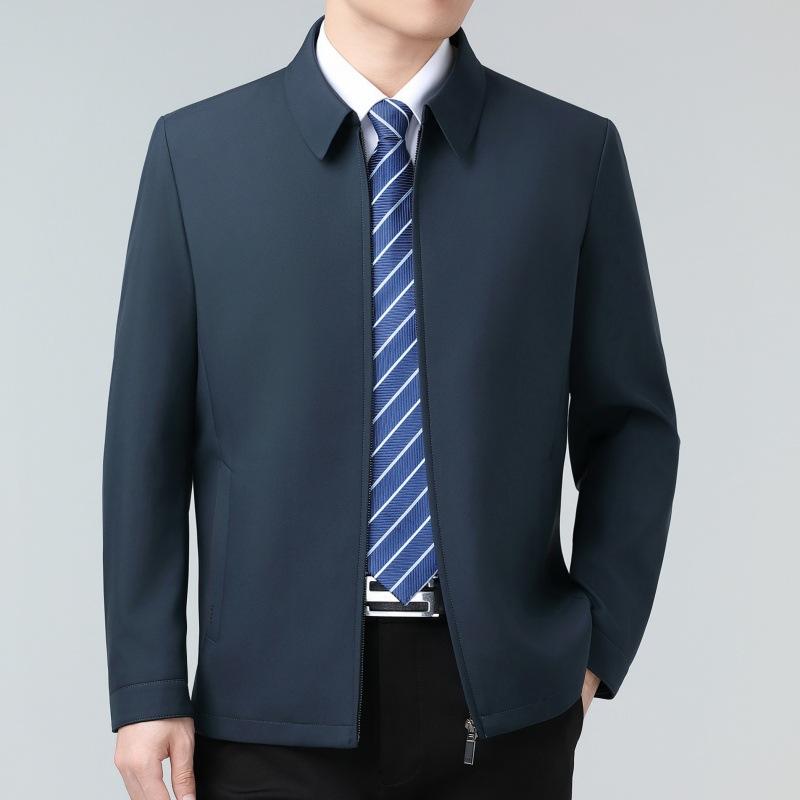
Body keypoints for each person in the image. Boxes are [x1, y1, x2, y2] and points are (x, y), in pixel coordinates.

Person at [103, 1, 679, 797]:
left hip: (503, 706)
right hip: (269, 710)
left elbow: (633, 425)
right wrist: (147, 685)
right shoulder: (197, 154)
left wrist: (594, 648)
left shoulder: (570, 154)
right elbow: (147, 440)